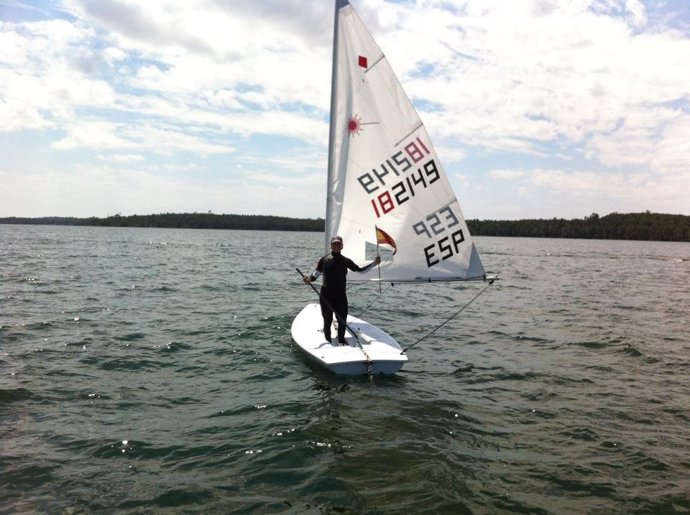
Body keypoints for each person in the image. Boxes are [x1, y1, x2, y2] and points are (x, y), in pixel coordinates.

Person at [303, 235, 381, 344]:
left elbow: (360, 270)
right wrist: (309, 279)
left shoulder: (345, 261)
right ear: (331, 246)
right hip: (326, 294)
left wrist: (374, 263)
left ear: (342, 246)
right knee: (327, 320)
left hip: (340, 295)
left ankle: (341, 340)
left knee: (342, 320)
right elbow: (316, 274)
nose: (336, 246)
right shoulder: (324, 260)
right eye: (334, 244)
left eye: (338, 244)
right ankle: (328, 340)